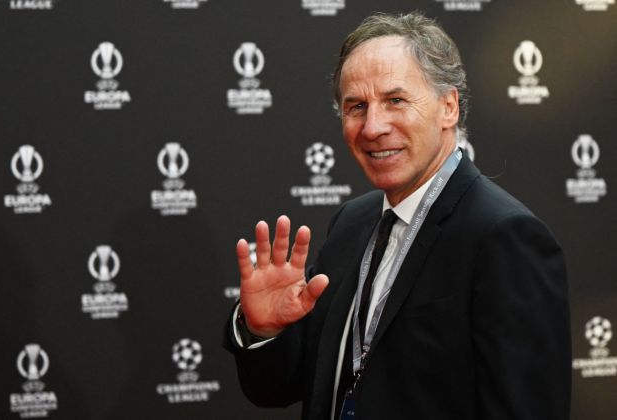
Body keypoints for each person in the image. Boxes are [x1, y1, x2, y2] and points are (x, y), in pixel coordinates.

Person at [224, 11, 571, 420]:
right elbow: (279, 388)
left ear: (448, 107)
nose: (372, 127)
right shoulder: (351, 224)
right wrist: (266, 331)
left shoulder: (503, 237)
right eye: (356, 106)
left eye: (395, 101)